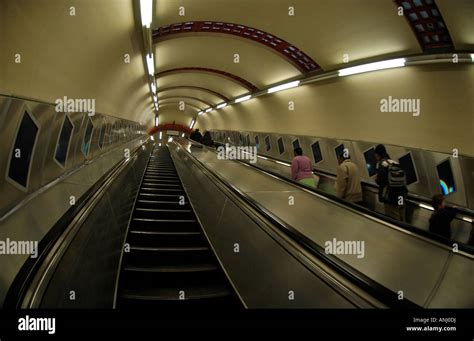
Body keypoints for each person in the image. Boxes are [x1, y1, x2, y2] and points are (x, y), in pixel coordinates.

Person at [374, 144, 407, 221]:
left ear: (377, 154)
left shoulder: (381, 164)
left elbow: (380, 181)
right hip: (401, 194)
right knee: (402, 217)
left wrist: (376, 179)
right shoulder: (394, 162)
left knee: (394, 221)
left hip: (391, 197)